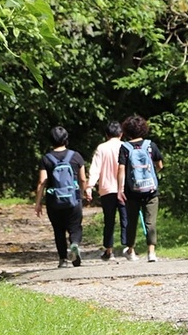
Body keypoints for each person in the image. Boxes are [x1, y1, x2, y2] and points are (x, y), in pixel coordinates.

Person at [35, 126, 89, 268]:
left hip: (54, 201)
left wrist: (38, 203)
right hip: (73, 198)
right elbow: (83, 179)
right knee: (75, 227)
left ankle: (63, 260)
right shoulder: (76, 156)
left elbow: (42, 182)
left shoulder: (46, 159)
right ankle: (75, 245)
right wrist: (82, 194)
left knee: (58, 229)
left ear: (51, 140)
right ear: (66, 139)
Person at [116, 115, 164, 262]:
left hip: (132, 192)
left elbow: (121, 170)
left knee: (131, 221)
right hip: (151, 190)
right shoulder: (150, 145)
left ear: (126, 130)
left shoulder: (124, 147)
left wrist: (119, 189)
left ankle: (130, 250)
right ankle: (151, 253)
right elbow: (160, 165)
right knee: (151, 222)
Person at [85, 120, 129, 262]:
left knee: (109, 221)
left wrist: (89, 186)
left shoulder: (101, 148)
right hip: (124, 189)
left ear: (106, 134)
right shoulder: (126, 146)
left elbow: (95, 169)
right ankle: (129, 247)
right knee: (126, 218)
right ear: (121, 134)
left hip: (106, 189)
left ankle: (109, 251)